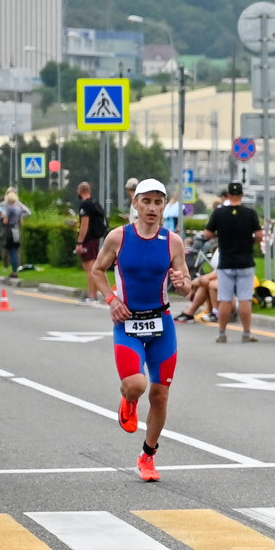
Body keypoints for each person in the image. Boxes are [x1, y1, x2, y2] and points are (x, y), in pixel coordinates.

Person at [87, 178, 193, 482]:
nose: (152, 208)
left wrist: (183, 284)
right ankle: (129, 400)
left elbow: (185, 287)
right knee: (137, 385)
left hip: (162, 324)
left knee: (160, 395)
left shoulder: (172, 241)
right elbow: (97, 269)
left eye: (158, 202)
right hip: (128, 324)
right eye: (146, 201)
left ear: (163, 206)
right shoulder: (119, 237)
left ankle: (148, 456)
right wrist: (111, 299)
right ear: (136, 203)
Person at [205, 182, 264, 343]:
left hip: (226, 262)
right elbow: (259, 235)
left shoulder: (219, 213)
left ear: (229, 195)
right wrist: (251, 241)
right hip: (245, 261)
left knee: (225, 298)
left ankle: (222, 333)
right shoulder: (250, 213)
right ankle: (246, 333)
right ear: (242, 195)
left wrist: (220, 236)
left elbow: (208, 233)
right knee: (245, 298)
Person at [74, 181, 109, 303]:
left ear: (80, 191)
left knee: (90, 267)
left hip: (89, 239)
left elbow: (85, 224)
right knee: (94, 267)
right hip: (97, 238)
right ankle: (93, 294)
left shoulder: (85, 205)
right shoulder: (95, 203)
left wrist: (80, 242)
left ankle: (92, 295)